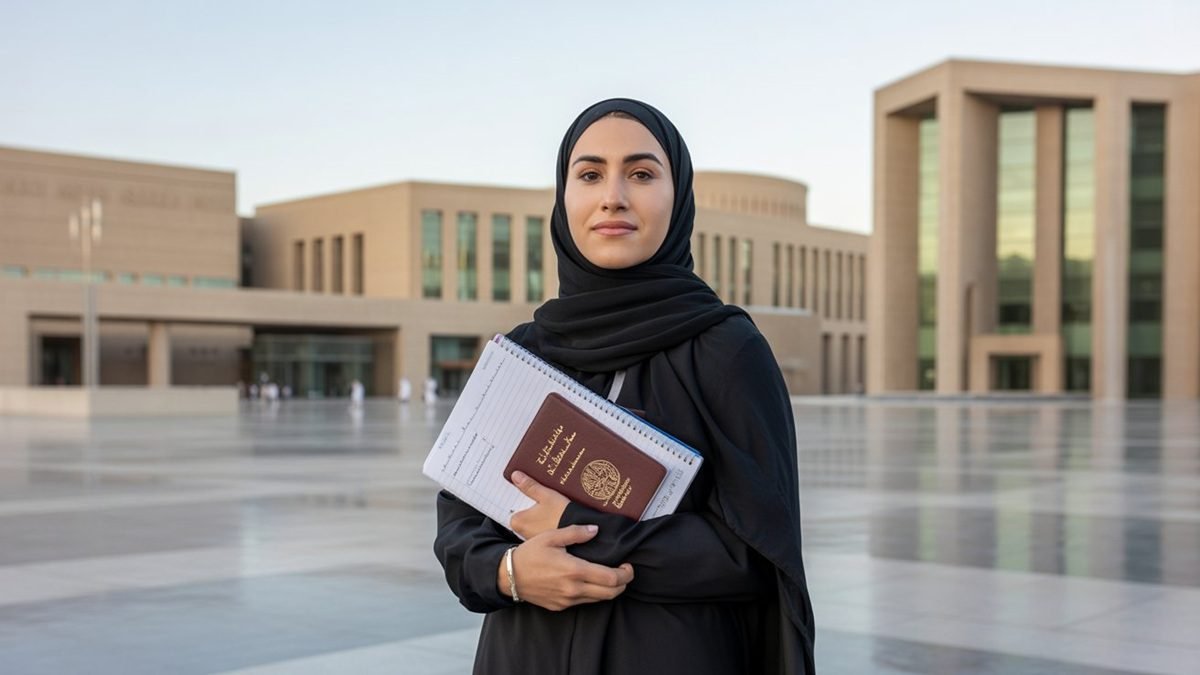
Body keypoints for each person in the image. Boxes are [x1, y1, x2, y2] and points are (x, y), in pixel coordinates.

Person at [434, 98, 815, 674]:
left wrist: (585, 533)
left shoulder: (725, 349)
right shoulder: (524, 352)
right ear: (563, 199)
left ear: (678, 195)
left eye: (641, 173)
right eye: (589, 174)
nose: (613, 195)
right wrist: (508, 573)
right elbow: (459, 529)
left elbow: (758, 555)